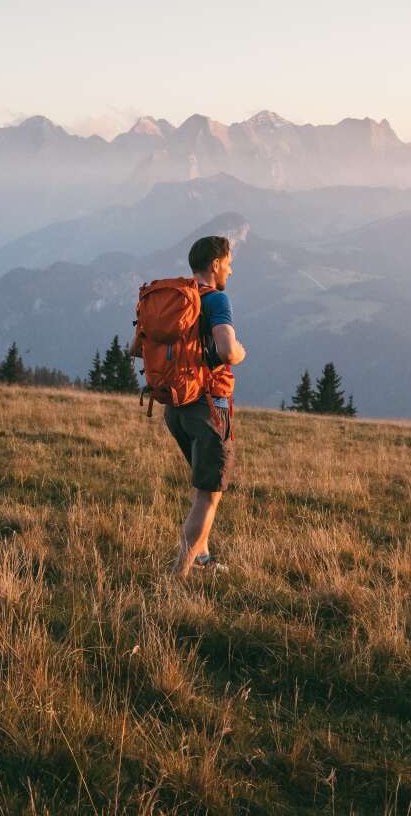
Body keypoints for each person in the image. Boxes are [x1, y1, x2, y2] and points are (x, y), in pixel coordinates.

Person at [165, 235, 245, 578]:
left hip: (175, 407)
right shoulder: (215, 299)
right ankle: (177, 575)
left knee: (205, 487)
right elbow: (228, 351)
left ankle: (202, 559)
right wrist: (241, 352)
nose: (230, 268)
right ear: (215, 264)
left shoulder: (175, 298)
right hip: (208, 408)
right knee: (209, 494)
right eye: (228, 262)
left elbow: (134, 347)